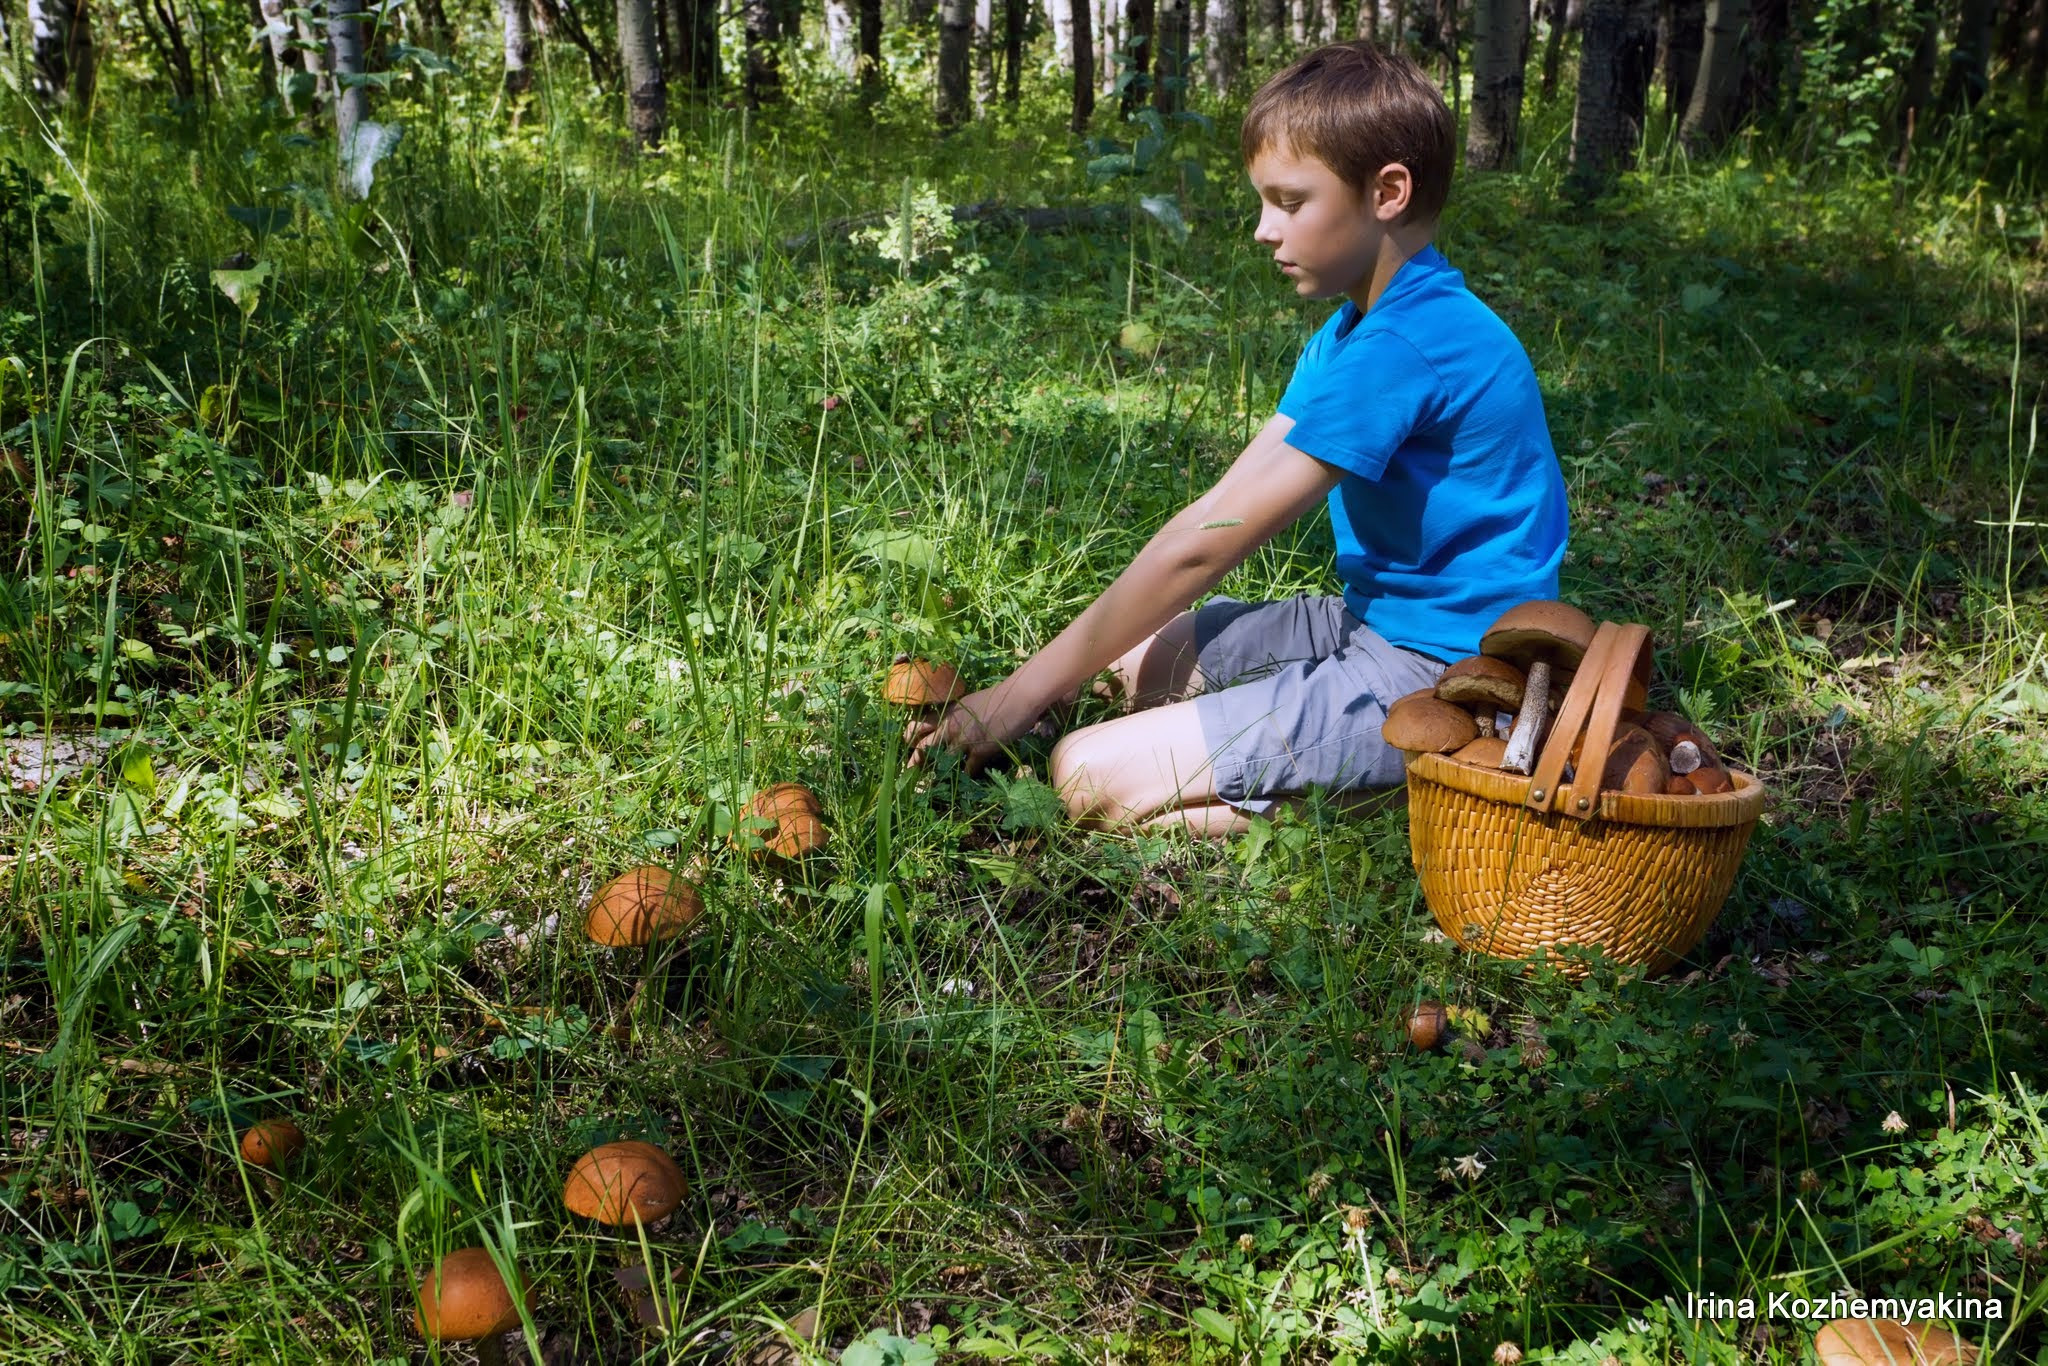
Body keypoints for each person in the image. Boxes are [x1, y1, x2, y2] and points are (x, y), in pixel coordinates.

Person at [905, 40, 1568, 837]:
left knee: (1084, 773)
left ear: (1387, 191)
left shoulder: (1409, 347)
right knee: (1126, 672)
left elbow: (1205, 549)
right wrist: (1037, 683)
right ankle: (1327, 769)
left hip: (1449, 675)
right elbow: (1219, 508)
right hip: (1372, 622)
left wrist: (1015, 696)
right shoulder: (1359, 326)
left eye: (1289, 201)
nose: (1262, 229)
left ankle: (1426, 790)